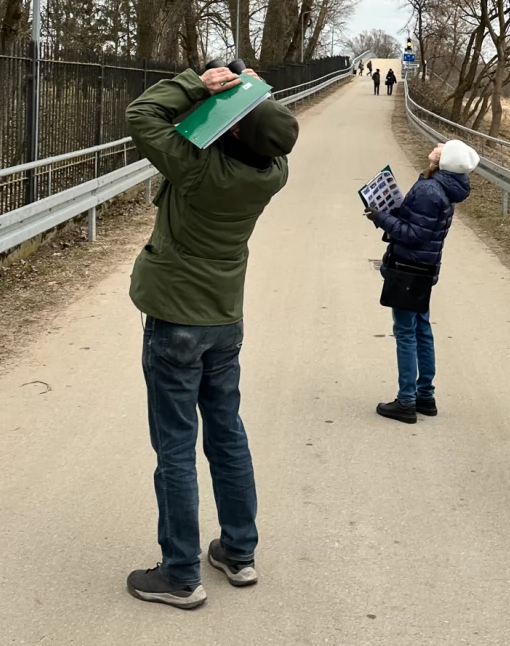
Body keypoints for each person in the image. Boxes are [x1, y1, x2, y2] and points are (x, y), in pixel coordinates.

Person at [124, 63, 299, 609]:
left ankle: (180, 573)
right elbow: (265, 134)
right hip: (225, 321)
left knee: (175, 446)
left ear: (238, 129)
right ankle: (238, 553)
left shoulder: (198, 168)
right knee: (226, 434)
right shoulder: (273, 172)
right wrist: (250, 101)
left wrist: (201, 85)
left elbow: (142, 113)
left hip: (177, 319)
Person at [367, 140, 477, 423]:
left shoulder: (430, 190)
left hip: (408, 269)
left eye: (443, 148)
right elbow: (419, 224)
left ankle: (406, 402)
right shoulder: (441, 185)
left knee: (406, 332)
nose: (437, 145)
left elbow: (414, 235)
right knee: (421, 329)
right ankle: (424, 395)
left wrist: (381, 217)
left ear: (444, 161)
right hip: (423, 268)